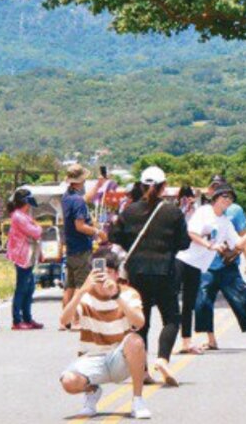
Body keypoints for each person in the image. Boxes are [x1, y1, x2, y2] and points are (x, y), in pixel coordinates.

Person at [110, 166, 190, 387]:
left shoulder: (129, 211)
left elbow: (115, 236)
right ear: (164, 186)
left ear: (141, 186)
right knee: (172, 319)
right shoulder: (173, 212)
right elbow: (184, 242)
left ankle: (143, 371)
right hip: (164, 271)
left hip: (137, 273)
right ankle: (163, 359)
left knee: (140, 323)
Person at [58, 245, 152, 420]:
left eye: (109, 272)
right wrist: (81, 291)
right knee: (68, 382)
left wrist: (116, 296)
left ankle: (138, 400)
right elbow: (64, 321)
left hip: (119, 357)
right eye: (99, 272)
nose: (103, 277)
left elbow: (139, 323)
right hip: (93, 357)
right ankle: (92, 391)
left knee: (135, 341)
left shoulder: (128, 293)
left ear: (117, 275)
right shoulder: (86, 295)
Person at [195, 183, 246, 352]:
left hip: (226, 266)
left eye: (230, 198)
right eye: (225, 197)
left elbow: (239, 241)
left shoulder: (227, 219)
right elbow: (191, 232)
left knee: (243, 299)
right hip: (206, 266)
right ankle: (211, 340)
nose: (228, 200)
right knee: (203, 302)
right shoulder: (203, 212)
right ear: (214, 197)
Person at [175, 188, 218, 355]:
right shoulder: (178, 211)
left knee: (189, 303)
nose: (191, 200)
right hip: (179, 257)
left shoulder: (202, 212)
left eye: (193, 197)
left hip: (195, 260)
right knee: (171, 301)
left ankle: (186, 340)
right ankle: (172, 339)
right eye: (188, 197)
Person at [62, 163, 101, 324]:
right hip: (81, 248)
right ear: (80, 181)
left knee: (69, 286)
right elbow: (80, 226)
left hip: (70, 247)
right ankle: (77, 320)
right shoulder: (78, 201)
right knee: (81, 285)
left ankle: (65, 320)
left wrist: (99, 184)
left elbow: (85, 199)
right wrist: (96, 231)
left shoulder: (67, 197)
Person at [7, 187, 43, 330]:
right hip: (22, 255)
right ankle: (17, 320)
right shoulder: (18, 216)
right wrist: (38, 227)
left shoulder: (22, 215)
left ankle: (27, 318)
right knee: (22, 288)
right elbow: (35, 232)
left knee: (29, 287)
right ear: (25, 202)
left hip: (28, 255)